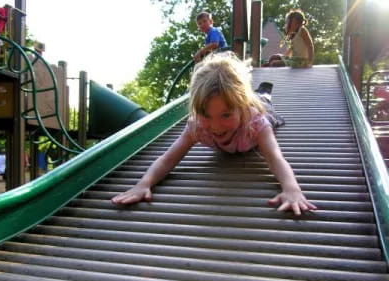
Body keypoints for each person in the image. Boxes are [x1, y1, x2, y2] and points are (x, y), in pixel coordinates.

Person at [112, 53, 316, 215]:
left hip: (259, 110)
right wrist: (143, 184)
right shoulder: (196, 127)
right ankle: (256, 95)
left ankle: (263, 92)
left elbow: (275, 158)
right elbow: (167, 160)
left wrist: (291, 189)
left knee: (264, 102)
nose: (215, 126)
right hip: (243, 106)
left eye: (225, 114)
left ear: (241, 108)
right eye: (205, 115)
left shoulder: (256, 124)